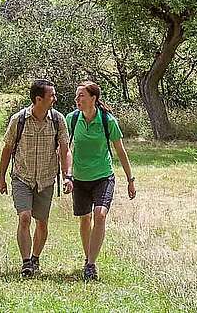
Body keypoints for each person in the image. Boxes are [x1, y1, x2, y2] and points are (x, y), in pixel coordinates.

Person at [0, 79, 71, 278]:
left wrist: (67, 176)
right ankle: (26, 263)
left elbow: (65, 150)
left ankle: (36, 257)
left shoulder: (58, 120)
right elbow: (7, 149)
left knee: (42, 222)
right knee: (25, 217)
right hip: (22, 177)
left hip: (46, 179)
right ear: (39, 99)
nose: (55, 99)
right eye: (51, 96)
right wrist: (1, 178)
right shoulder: (18, 120)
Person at [63, 81, 135, 281]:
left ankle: (91, 264)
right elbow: (65, 149)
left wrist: (130, 179)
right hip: (80, 178)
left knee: (100, 215)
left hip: (103, 176)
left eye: (81, 96)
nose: (77, 99)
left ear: (93, 98)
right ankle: (88, 260)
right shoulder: (72, 119)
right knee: (85, 219)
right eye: (77, 96)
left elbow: (120, 151)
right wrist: (66, 175)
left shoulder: (107, 121)